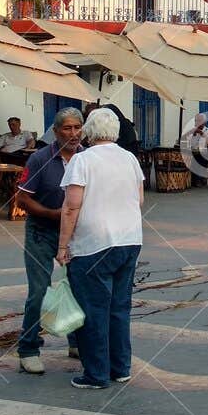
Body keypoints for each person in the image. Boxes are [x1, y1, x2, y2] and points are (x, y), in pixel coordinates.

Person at [58, 107, 145, 390]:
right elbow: (139, 199)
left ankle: (96, 374)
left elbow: (71, 207)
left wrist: (62, 245)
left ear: (88, 131)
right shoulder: (129, 158)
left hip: (94, 244)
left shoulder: (83, 160)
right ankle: (120, 368)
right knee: (119, 307)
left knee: (94, 309)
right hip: (129, 239)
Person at [14, 107, 84, 374]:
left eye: (78, 127)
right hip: (42, 231)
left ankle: (76, 342)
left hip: (76, 234)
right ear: (56, 131)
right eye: (68, 128)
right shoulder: (40, 159)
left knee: (78, 288)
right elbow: (22, 199)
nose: (74, 133)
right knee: (39, 291)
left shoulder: (86, 158)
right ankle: (29, 348)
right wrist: (53, 214)